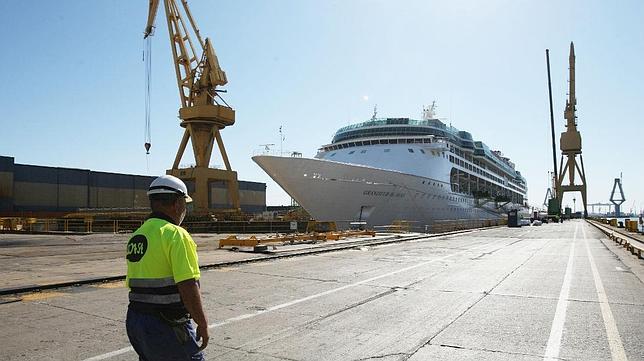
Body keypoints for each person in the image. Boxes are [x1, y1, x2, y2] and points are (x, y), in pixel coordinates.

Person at [125, 175, 209, 360]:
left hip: (136, 321)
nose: (184, 210)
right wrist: (201, 322)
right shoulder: (176, 235)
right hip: (167, 323)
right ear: (178, 204)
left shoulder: (138, 235)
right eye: (185, 205)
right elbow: (188, 285)